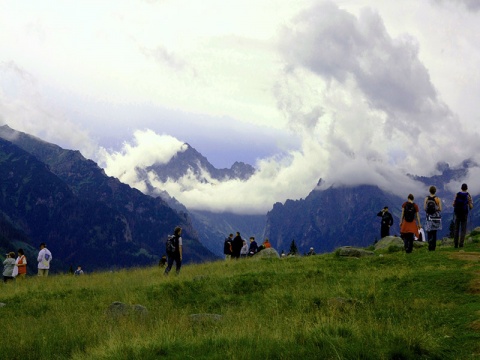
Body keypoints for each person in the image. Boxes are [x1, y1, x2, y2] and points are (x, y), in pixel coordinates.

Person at [452, 183, 474, 248]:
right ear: (466, 188)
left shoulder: (457, 194)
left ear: (461, 188)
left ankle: (455, 244)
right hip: (464, 213)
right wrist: (469, 203)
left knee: (456, 228)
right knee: (463, 229)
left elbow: (453, 204)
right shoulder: (468, 195)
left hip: (457, 213)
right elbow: (471, 206)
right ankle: (461, 244)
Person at [424, 186, 442, 251]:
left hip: (429, 217)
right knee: (434, 231)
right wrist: (436, 209)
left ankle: (429, 245)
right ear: (435, 191)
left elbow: (425, 208)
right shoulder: (437, 199)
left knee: (429, 231)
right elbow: (440, 209)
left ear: (429, 191)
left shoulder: (427, 198)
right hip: (435, 217)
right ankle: (434, 247)